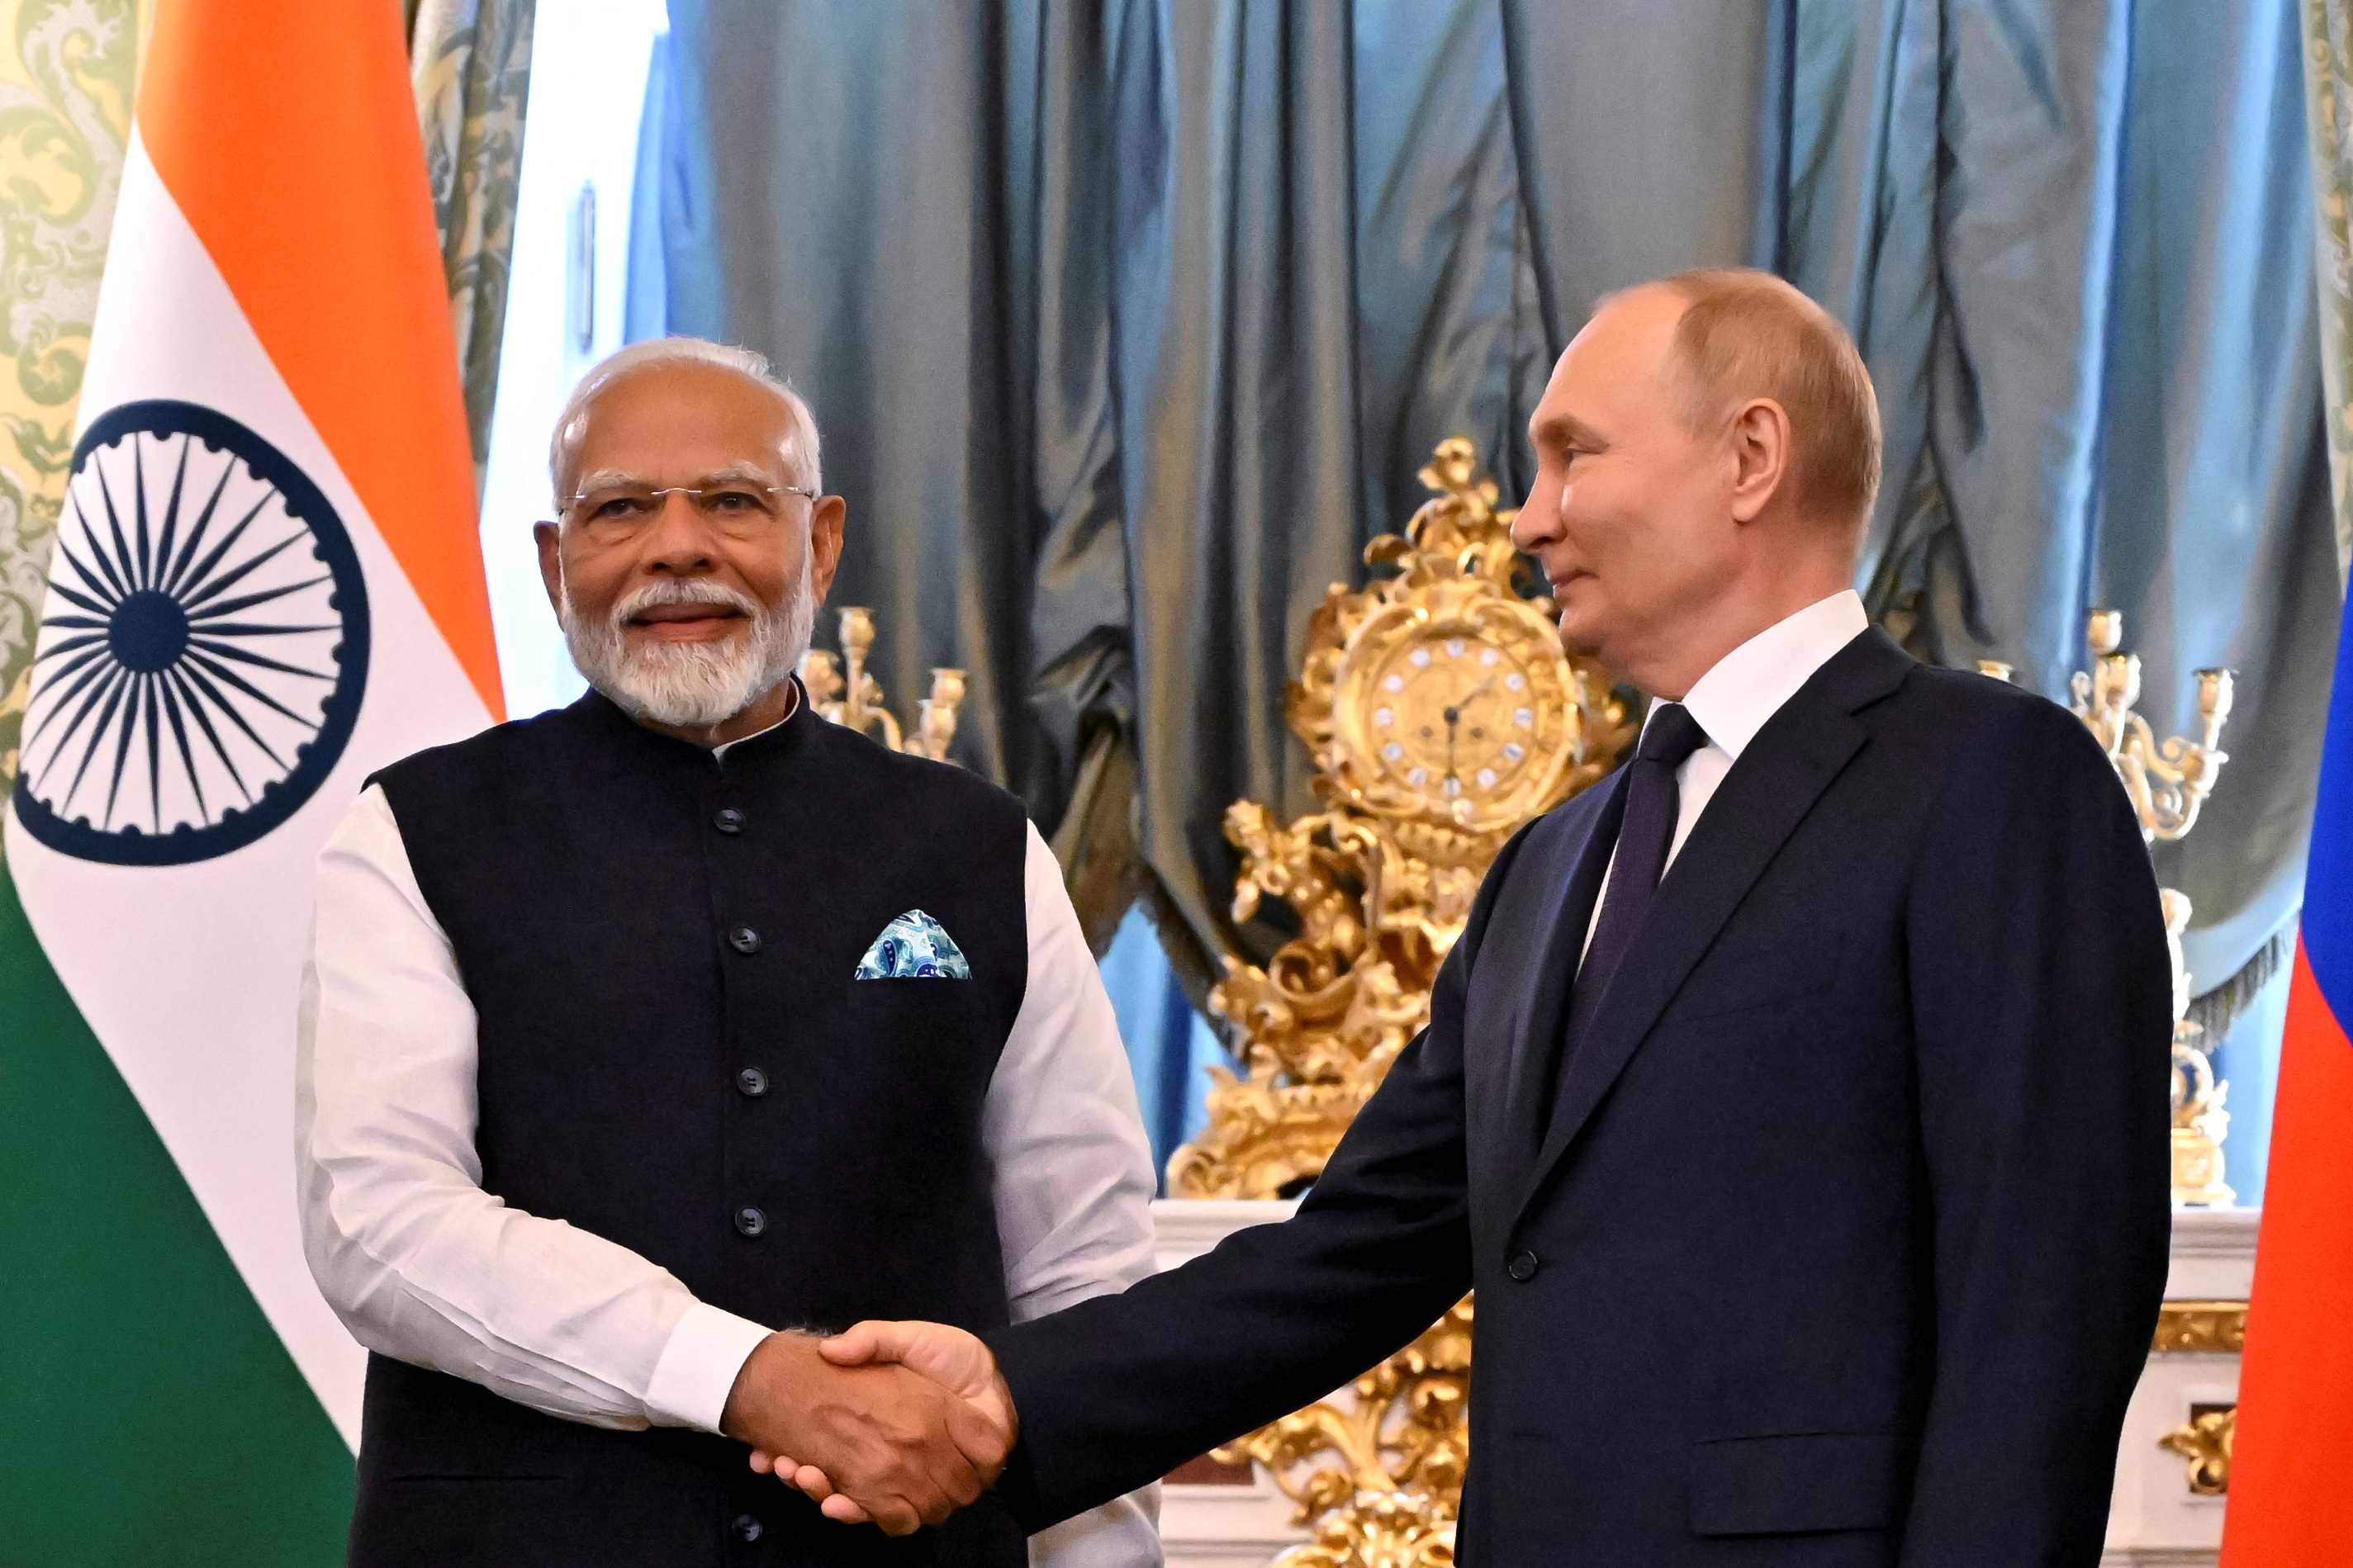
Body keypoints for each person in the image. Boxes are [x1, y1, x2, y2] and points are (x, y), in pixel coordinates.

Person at [761, 271, 2176, 1566]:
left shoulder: (1988, 781)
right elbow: (1352, 1252)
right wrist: (1012, 1388)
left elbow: (2041, 1307)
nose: (1526, 517)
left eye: (1575, 453)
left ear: (1750, 459)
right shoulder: (1552, 864)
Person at [296, 337, 1161, 1567]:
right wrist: (742, 1372)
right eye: (621, 510)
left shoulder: (978, 846)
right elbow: (382, 1224)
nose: (677, 547)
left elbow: (1083, 1272)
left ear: (819, 543)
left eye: (735, 501)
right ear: (556, 564)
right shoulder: (416, 831)